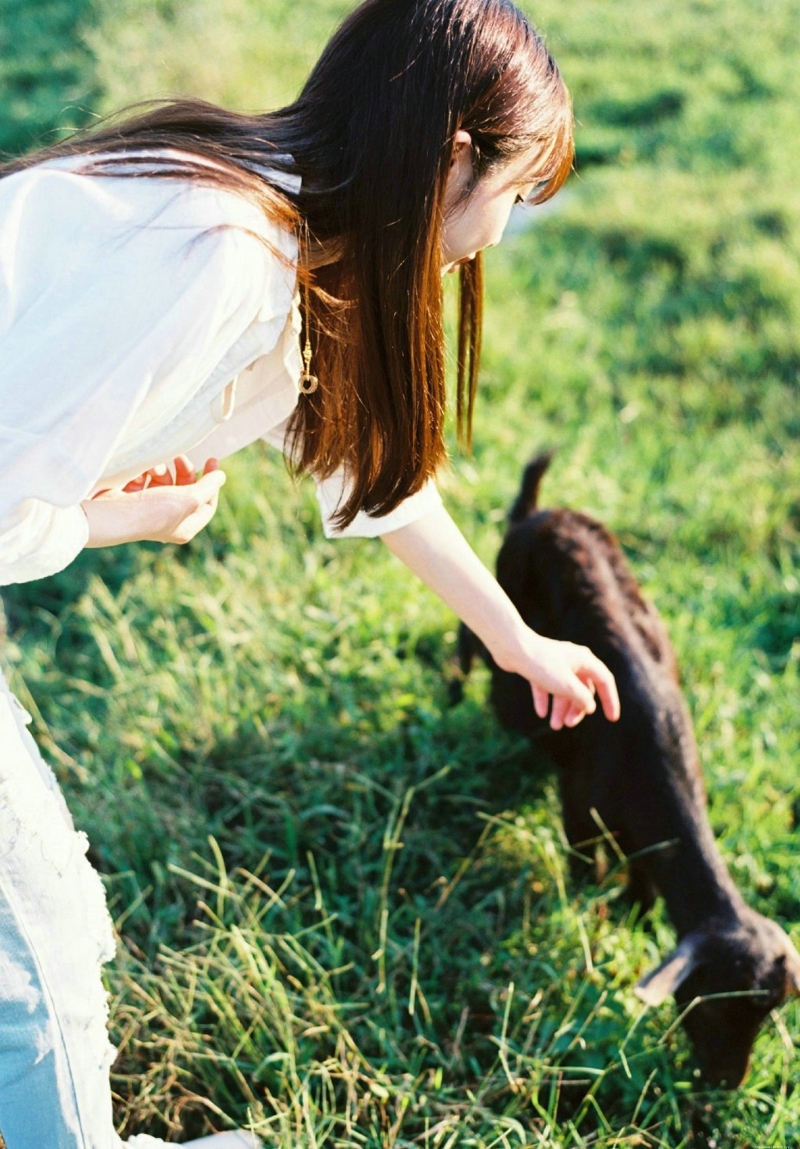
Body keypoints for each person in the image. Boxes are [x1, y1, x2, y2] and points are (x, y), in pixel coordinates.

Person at [0, 0, 620, 1144]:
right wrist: (105, 522)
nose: (493, 237)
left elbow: (367, 477)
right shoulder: (216, 258)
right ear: (450, 155)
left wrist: (513, 639)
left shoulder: (280, 231)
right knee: (30, 968)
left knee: (47, 939)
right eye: (513, 193)